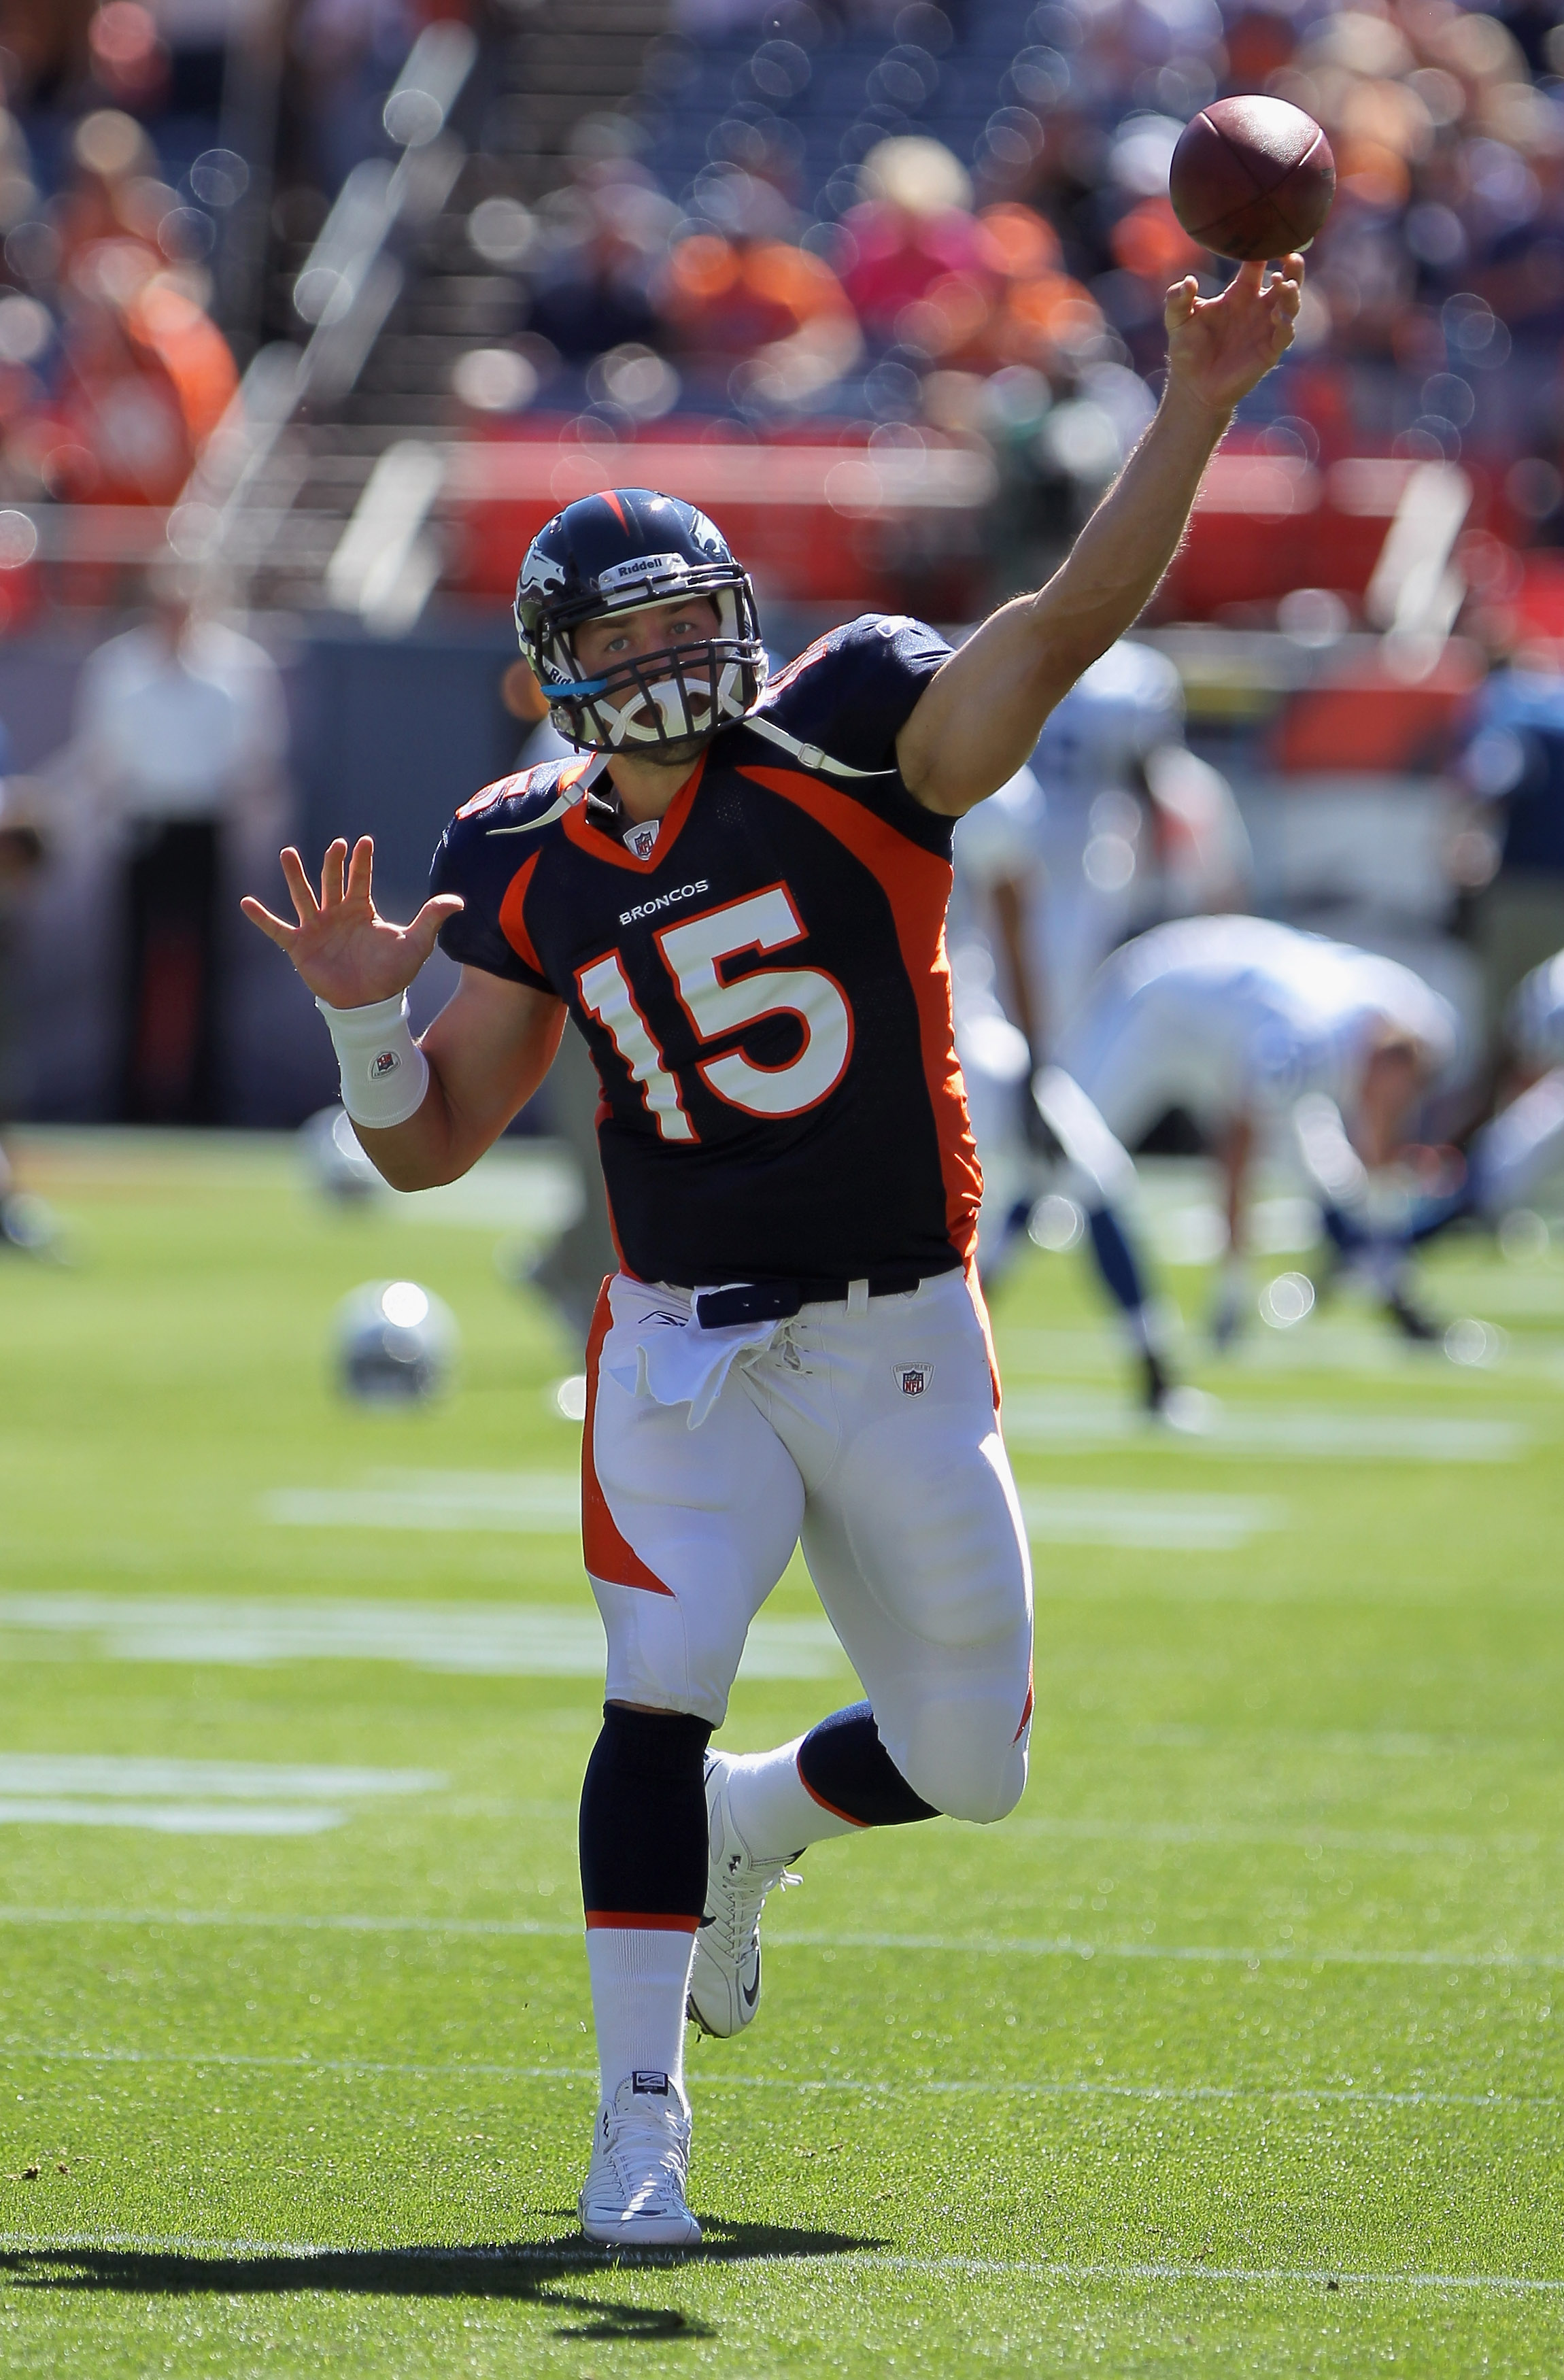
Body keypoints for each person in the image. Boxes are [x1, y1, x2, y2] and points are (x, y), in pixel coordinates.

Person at [241, 252, 1304, 2248]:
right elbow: (430, 1145)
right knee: (654, 1679)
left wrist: (1196, 404)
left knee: (966, 1760)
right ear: (551, 668)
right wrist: (368, 1013)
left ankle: (762, 1818)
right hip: (677, 1351)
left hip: (900, 1330)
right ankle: (635, 2122)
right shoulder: (514, 849)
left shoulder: (848, 737)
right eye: (620, 634)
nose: (664, 660)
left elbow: (1058, 623)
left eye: (684, 620)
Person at [1047, 914, 1461, 1356]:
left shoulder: (1356, 1022)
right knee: (1066, 1147)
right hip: (1153, 1002)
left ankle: (1396, 1297)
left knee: (1330, 1172)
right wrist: (1234, 1278)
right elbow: (1238, 1144)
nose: (1395, 1111)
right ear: (1385, 1063)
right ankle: (985, 1270)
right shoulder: (1311, 1042)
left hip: (1216, 1026)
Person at [73, 565, 287, 1123]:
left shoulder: (239, 668)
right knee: (132, 965)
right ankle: (127, 1101)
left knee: (211, 970)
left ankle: (205, 1103)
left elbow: (258, 758)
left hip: (206, 829)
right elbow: (101, 757)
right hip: (141, 829)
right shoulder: (118, 667)